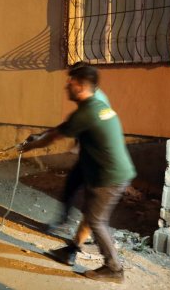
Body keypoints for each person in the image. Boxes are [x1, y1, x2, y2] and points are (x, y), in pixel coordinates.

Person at [20, 65, 136, 283]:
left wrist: (30, 146)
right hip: (103, 169)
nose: (67, 85)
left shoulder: (85, 112)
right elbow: (63, 128)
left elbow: (55, 137)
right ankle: (71, 250)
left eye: (70, 81)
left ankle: (114, 269)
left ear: (81, 86)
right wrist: (44, 135)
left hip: (108, 175)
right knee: (91, 213)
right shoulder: (96, 102)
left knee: (96, 220)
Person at [53, 62, 112, 230]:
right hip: (90, 154)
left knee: (93, 199)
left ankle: (88, 234)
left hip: (98, 158)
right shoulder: (92, 97)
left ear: (81, 82)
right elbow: (79, 122)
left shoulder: (96, 100)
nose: (68, 83)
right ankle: (66, 223)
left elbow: (90, 123)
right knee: (72, 185)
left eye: (72, 78)